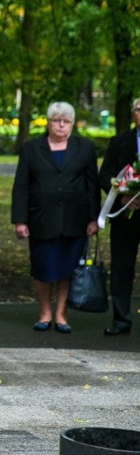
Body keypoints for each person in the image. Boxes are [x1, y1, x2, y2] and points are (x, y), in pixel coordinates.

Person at [11, 102, 99, 334]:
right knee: (43, 268)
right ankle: (44, 312)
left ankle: (61, 314)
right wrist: (20, 220)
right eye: (56, 120)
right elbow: (21, 186)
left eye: (66, 121)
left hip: (75, 220)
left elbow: (92, 185)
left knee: (67, 269)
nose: (61, 125)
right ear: (48, 123)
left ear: (72, 124)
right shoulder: (31, 148)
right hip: (41, 219)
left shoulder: (85, 148)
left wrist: (94, 218)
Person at [97, 97, 140, 335]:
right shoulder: (119, 142)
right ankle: (121, 319)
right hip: (125, 218)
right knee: (122, 269)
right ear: (134, 113)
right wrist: (123, 197)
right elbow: (105, 175)